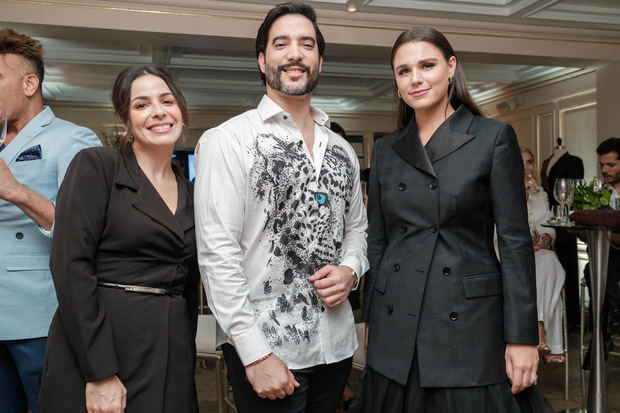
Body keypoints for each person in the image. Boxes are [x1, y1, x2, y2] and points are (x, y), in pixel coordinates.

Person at [362, 27, 553, 413]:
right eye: (403, 71)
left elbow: (515, 243)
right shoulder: (385, 150)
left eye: (427, 65)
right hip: (395, 319)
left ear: (451, 67)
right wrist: (372, 322)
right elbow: (378, 243)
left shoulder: (492, 137)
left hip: (467, 320)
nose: (415, 79)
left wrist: (522, 338)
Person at [193, 3, 368, 412]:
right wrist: (254, 353)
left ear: (319, 60)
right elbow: (218, 255)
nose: (295, 53)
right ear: (262, 59)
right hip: (268, 352)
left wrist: (351, 270)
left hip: (337, 349)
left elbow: (357, 229)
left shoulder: (342, 149)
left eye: (307, 44)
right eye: (281, 43)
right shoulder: (227, 140)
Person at [38, 64, 198, 412]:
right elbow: (69, 265)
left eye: (167, 101)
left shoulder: (191, 192)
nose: (158, 111)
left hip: (170, 348)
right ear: (126, 120)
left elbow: (188, 285)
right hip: (103, 341)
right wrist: (99, 372)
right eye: (141, 104)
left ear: (181, 111)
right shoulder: (98, 166)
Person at [0, 28, 101, 412]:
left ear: (30, 83)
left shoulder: (73, 139)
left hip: (40, 320)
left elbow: (88, 230)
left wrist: (17, 191)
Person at [522, 148, 566, 364]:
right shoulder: (499, 192)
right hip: (511, 255)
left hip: (538, 253)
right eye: (521, 162)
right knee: (550, 268)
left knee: (548, 264)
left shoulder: (541, 193)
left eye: (530, 162)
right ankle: (550, 341)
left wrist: (546, 239)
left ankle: (540, 334)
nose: (527, 167)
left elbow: (549, 224)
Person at [581, 137, 620, 369]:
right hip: (607, 257)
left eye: (610, 165)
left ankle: (601, 336)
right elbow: (588, 233)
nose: (604, 170)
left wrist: (605, 235)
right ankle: (613, 317)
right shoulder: (597, 192)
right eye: (602, 165)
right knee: (595, 266)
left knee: (599, 267)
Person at [541, 139, 584, 329]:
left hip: (566, 219)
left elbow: (575, 191)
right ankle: (553, 316)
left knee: (568, 265)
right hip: (549, 217)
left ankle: (573, 318)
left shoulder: (575, 162)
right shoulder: (546, 162)